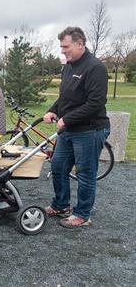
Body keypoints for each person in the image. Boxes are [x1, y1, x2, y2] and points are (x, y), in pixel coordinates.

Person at [43, 27, 110, 228]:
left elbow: (95, 103)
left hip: (90, 130)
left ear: (80, 44)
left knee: (85, 174)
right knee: (57, 166)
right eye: (61, 47)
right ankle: (61, 205)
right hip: (68, 130)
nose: (62, 51)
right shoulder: (69, 66)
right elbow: (65, 98)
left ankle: (82, 214)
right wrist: (52, 110)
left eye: (66, 46)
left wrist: (67, 119)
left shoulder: (95, 67)